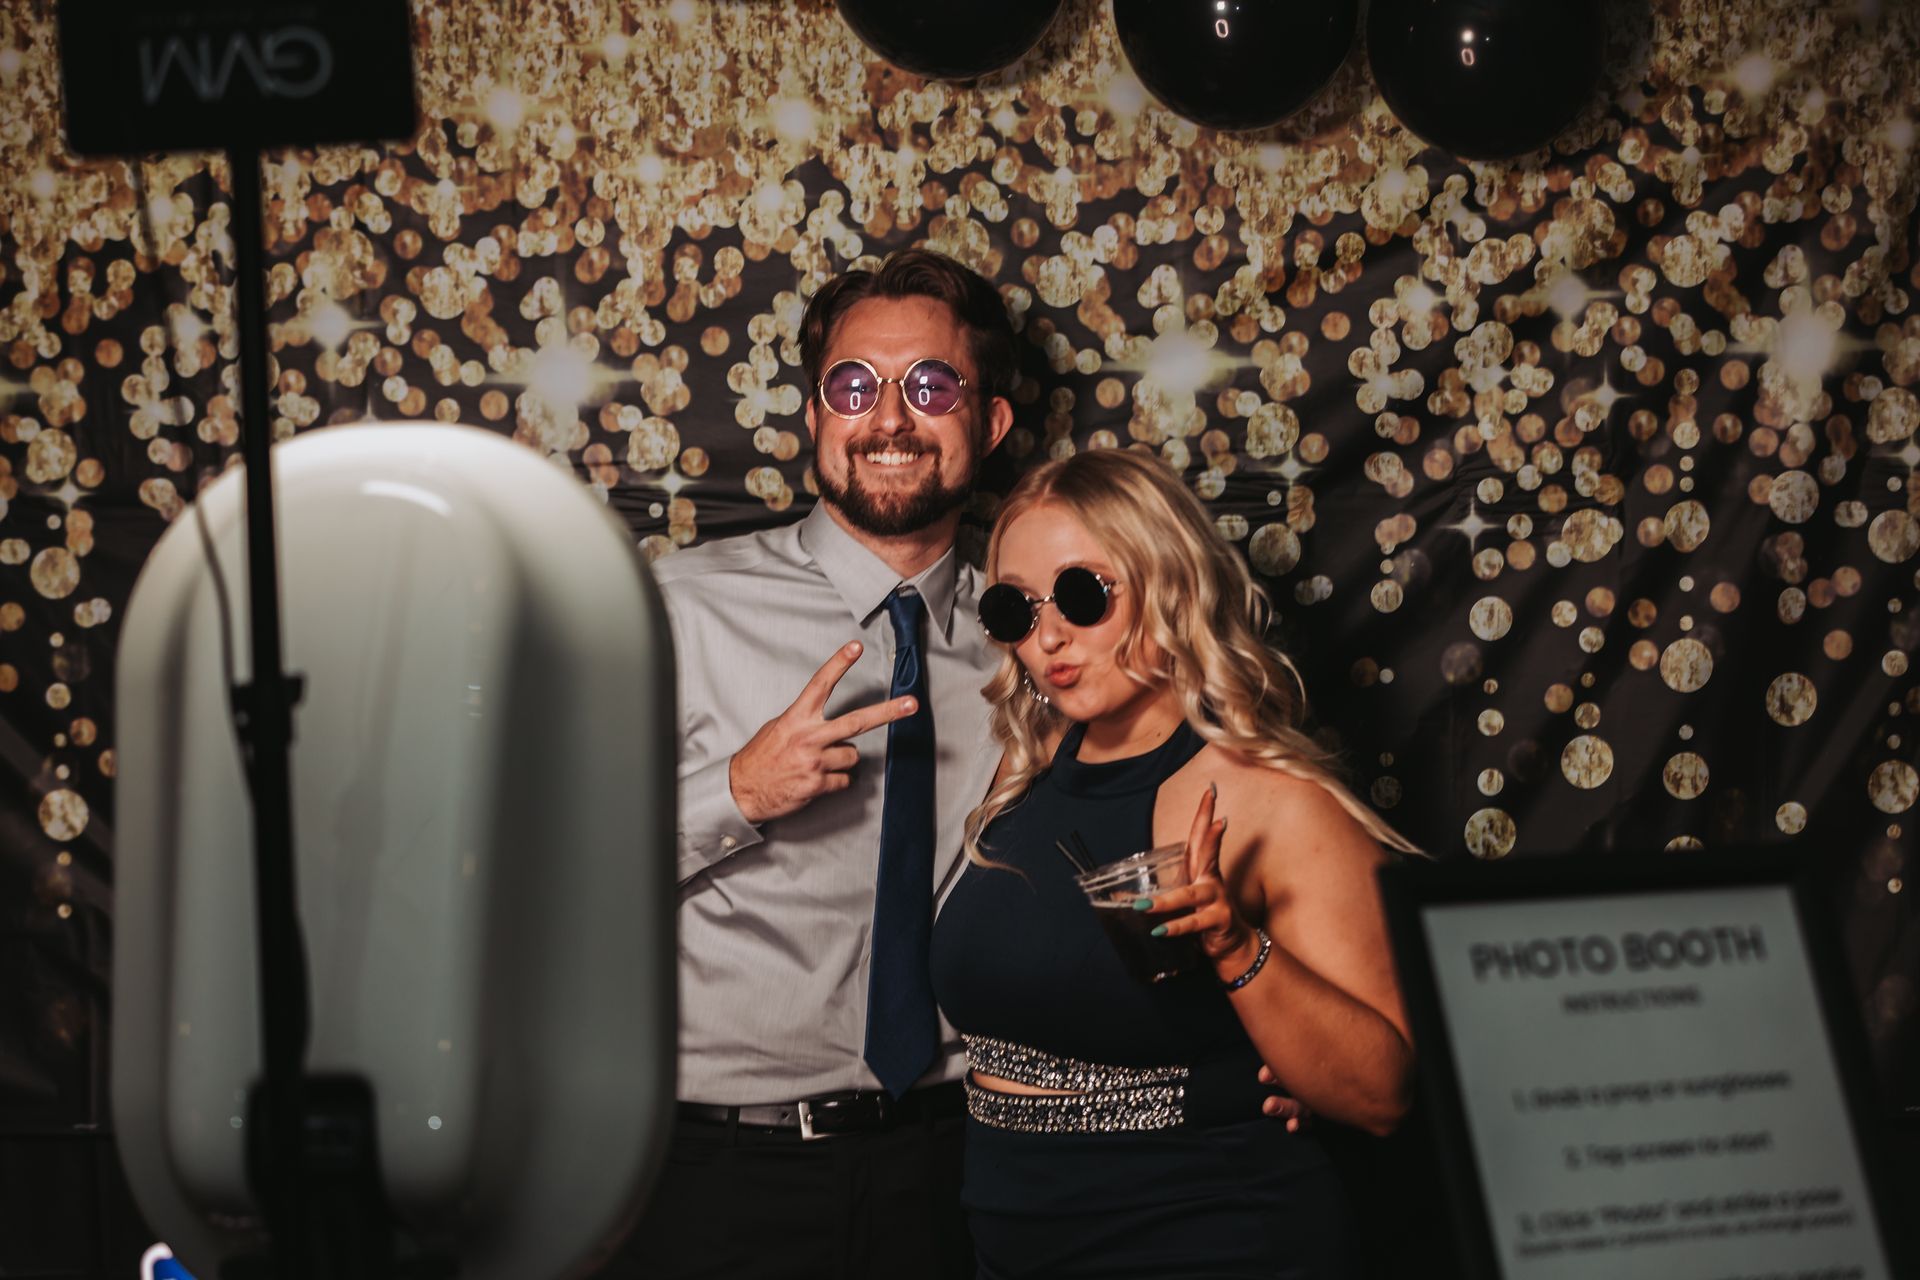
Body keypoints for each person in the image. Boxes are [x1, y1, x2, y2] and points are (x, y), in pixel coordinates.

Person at [601, 248, 1016, 1280]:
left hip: (961, 1167)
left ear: (991, 423)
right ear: (814, 416)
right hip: (717, 1173)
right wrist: (735, 791)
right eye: (853, 386)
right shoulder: (676, 609)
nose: (888, 419)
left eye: (931, 385)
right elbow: (541, 876)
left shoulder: (1036, 639)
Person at [929, 447, 1420, 1279]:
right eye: (1016, 608)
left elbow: (1383, 1094)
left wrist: (1235, 949)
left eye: (1084, 595)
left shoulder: (1268, 797)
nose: (1048, 637)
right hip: (1014, 1237)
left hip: (1207, 1234)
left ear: (1170, 583)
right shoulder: (1023, 777)